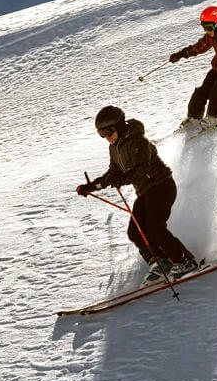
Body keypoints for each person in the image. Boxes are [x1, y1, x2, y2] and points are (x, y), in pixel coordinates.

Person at [76, 105, 200, 282]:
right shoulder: (115, 148)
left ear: (118, 127)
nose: (107, 138)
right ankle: (160, 262)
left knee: (154, 227)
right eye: (101, 135)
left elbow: (142, 169)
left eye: (108, 133)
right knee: (135, 231)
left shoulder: (138, 142)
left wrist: (123, 179)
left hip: (161, 186)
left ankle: (185, 261)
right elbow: (113, 172)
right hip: (144, 192)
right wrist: (92, 186)